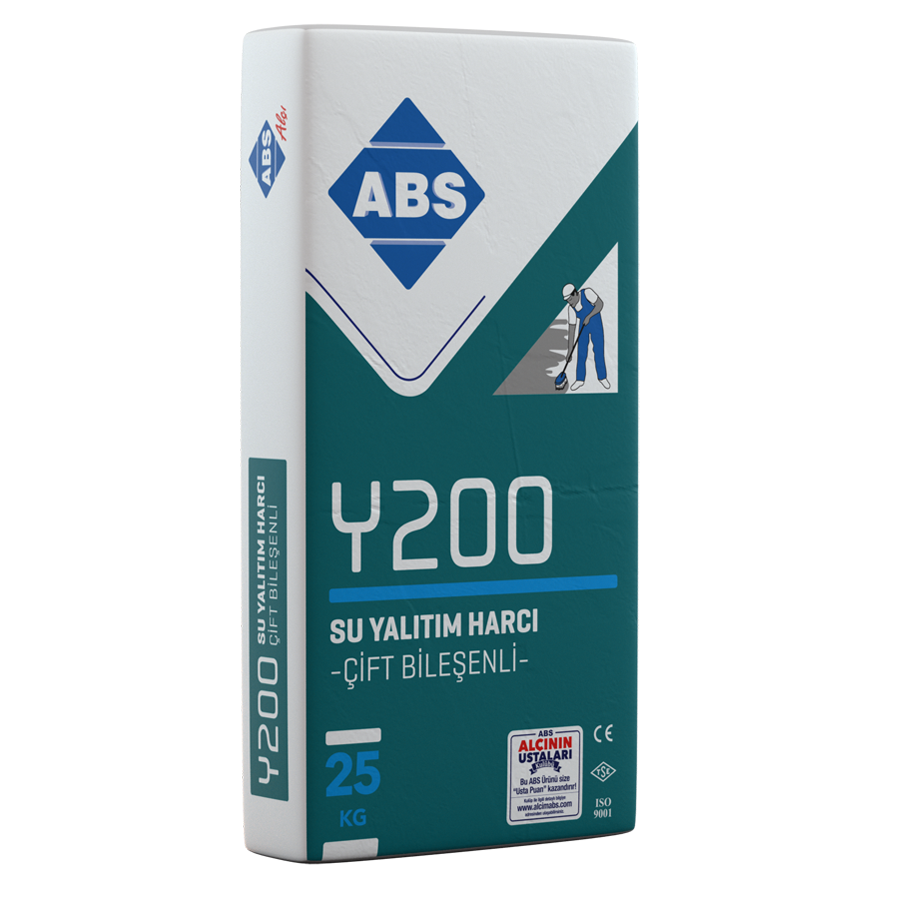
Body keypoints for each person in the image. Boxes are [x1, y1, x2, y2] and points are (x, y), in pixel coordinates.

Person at [562, 282, 610, 391]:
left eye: (570, 299)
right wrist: (569, 351)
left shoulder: (587, 293)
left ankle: (602, 378)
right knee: (581, 352)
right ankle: (579, 379)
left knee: (598, 350)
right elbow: (571, 330)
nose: (569, 303)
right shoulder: (571, 309)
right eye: (567, 301)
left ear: (575, 294)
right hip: (583, 327)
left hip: (596, 324)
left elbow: (600, 304)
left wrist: (589, 316)